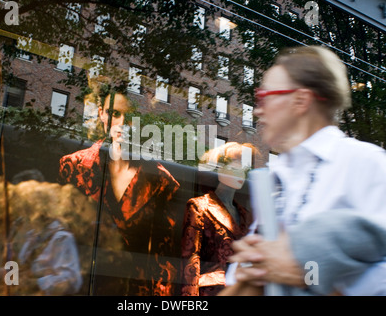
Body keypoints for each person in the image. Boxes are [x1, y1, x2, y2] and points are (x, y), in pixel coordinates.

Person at [222, 45, 386, 296]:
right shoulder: (275, 178)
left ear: (300, 100)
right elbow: (245, 276)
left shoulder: (365, 162)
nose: (257, 108)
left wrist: (309, 274)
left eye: (265, 96)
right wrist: (250, 270)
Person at [59, 84, 180, 296]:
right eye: (114, 114)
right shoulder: (73, 167)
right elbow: (58, 240)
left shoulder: (162, 182)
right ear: (101, 115)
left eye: (130, 116)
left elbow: (163, 261)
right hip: (80, 286)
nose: (122, 123)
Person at [180, 142, 254, 296]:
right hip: (211, 291)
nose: (240, 173)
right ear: (219, 170)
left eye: (243, 169)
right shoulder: (199, 207)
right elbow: (190, 260)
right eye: (234, 167)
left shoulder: (246, 216)